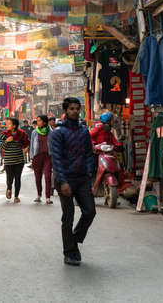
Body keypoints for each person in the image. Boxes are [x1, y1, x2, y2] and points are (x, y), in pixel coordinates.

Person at [51, 97, 96, 267]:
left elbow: (88, 154)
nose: (75, 111)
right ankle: (69, 253)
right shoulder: (58, 133)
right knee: (68, 216)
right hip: (66, 179)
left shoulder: (84, 131)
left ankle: (75, 238)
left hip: (82, 178)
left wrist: (89, 172)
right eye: (71, 109)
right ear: (65, 111)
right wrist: (63, 182)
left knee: (90, 211)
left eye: (77, 108)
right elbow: (56, 160)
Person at [0, 118, 30, 203]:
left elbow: (27, 142)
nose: (7, 125)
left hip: (19, 161)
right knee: (9, 179)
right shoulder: (4, 135)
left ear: (14, 126)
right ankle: (9, 188)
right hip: (9, 161)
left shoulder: (22, 134)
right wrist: (6, 141)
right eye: (7, 123)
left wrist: (26, 148)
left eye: (9, 124)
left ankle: (16, 196)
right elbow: (1, 147)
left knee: (18, 178)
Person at [30, 115, 53, 204]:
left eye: (39, 121)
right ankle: (39, 195)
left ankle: (48, 197)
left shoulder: (51, 132)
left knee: (47, 176)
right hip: (37, 156)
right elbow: (32, 145)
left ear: (44, 122)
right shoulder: (34, 132)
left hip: (48, 156)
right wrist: (32, 157)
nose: (37, 122)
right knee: (37, 177)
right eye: (37, 120)